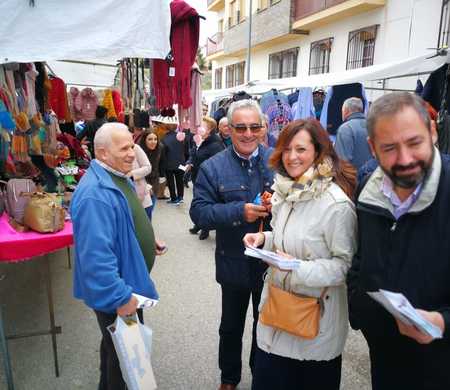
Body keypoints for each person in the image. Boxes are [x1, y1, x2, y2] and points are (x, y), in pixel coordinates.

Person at [243, 119, 357, 390]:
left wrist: (295, 267)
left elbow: (344, 267)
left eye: (301, 149)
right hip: (275, 316)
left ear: (318, 152)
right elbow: (288, 240)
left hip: (314, 325)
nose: (292, 157)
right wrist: (263, 239)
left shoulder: (336, 204)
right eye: (287, 149)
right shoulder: (286, 191)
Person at [347, 92, 450, 390]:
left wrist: (442, 322)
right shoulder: (369, 186)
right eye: (389, 148)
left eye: (414, 142)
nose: (404, 159)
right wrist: (361, 306)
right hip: (385, 355)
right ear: (372, 148)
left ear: (432, 131)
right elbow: (361, 255)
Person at [71, 123, 163, 390]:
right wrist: (121, 298)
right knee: (126, 361)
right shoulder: (94, 195)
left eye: (132, 146)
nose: (132, 153)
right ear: (102, 153)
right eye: (123, 148)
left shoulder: (115, 175)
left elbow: (123, 219)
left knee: (115, 348)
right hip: (119, 290)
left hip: (126, 283)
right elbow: (95, 259)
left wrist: (143, 240)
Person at [190, 99, 274, 390]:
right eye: (241, 127)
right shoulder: (213, 167)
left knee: (264, 326)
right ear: (229, 130)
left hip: (271, 264)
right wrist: (240, 211)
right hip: (233, 262)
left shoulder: (279, 161)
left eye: (254, 127)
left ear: (263, 128)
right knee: (231, 327)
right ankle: (229, 379)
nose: (248, 133)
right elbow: (199, 213)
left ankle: (259, 376)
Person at [188, 116, 225, 240]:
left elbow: (216, 164)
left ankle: (205, 228)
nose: (199, 128)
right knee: (198, 202)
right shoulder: (199, 140)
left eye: (202, 126)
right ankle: (199, 224)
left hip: (208, 180)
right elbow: (194, 154)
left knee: (206, 203)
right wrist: (190, 162)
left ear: (210, 129)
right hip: (197, 176)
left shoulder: (215, 144)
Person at [334, 97, 372, 170]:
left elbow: (342, 161)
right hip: (372, 178)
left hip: (352, 178)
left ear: (346, 111)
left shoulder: (346, 128)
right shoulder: (373, 126)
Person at [139, 129, 167, 219]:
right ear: (144, 140)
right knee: (143, 213)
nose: (153, 142)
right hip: (141, 182)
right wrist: (145, 185)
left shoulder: (160, 148)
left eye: (155, 139)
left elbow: (162, 165)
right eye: (150, 139)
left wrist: (162, 180)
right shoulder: (139, 151)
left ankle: (147, 231)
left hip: (154, 182)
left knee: (149, 211)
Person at [161, 126, 188, 204]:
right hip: (181, 162)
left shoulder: (164, 138)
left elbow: (163, 152)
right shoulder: (182, 136)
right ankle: (180, 197)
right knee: (180, 180)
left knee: (170, 181)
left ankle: (173, 198)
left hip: (169, 162)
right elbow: (186, 150)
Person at [128, 143, 153, 219]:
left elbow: (148, 167)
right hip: (125, 199)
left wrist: (132, 174)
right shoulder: (111, 150)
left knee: (145, 225)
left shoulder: (135, 148)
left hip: (141, 194)